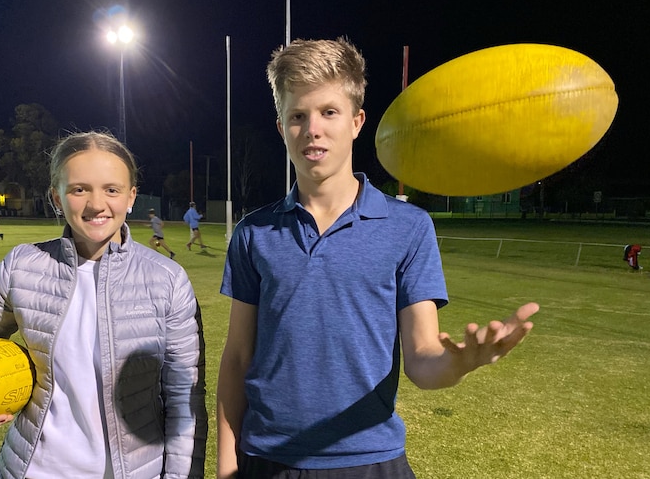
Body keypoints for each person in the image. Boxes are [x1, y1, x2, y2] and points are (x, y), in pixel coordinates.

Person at [216, 38, 538, 479]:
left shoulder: (409, 227)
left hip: (369, 461)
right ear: (281, 127)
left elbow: (423, 357)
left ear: (356, 121)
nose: (313, 128)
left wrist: (458, 363)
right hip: (267, 460)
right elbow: (237, 358)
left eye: (329, 112)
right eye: (298, 116)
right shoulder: (254, 232)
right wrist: (228, 464)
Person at [0, 131, 207, 479]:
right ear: (56, 197)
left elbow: (184, 396)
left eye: (112, 189)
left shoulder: (167, 279)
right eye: (79, 189)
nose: (96, 204)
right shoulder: (22, 266)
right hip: (36, 471)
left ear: (131, 196)